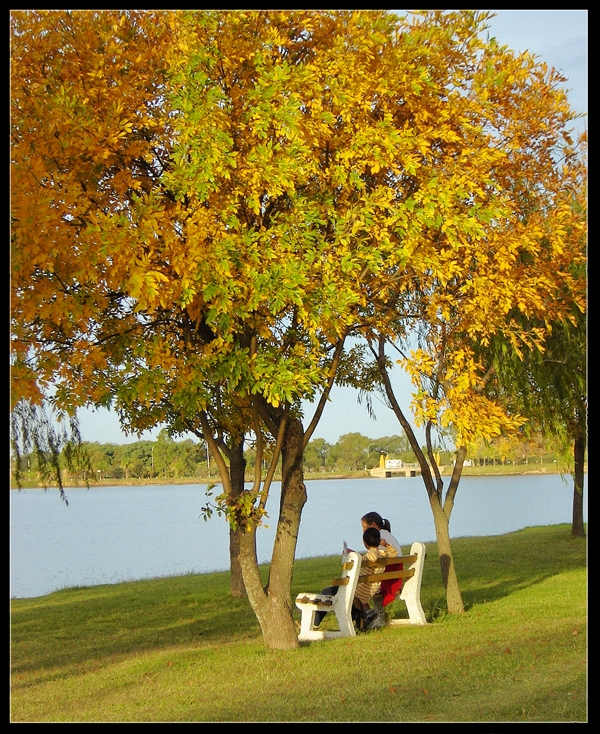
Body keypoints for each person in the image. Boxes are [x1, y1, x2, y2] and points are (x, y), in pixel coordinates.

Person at [352, 526, 398, 630]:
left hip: (364, 588)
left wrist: (358, 557)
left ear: (364, 542)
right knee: (360, 600)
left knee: (354, 597)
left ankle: (366, 617)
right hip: (372, 587)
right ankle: (365, 619)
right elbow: (394, 553)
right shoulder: (383, 553)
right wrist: (386, 545)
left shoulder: (371, 555)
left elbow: (372, 557)